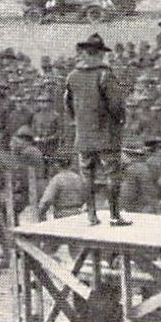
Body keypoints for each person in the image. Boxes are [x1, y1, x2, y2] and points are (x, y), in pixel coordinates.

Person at [64, 33, 129, 227]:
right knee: (112, 174)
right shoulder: (105, 75)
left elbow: (67, 105)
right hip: (106, 134)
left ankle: (91, 215)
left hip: (83, 136)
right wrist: (118, 121)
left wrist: (79, 121)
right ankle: (114, 215)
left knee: (87, 175)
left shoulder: (72, 76)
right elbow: (116, 105)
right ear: (99, 54)